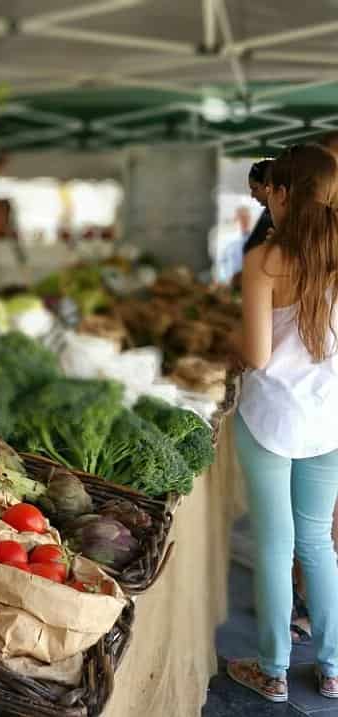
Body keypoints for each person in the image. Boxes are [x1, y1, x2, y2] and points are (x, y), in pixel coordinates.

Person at [228, 143, 338, 703]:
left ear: (281, 192)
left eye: (270, 190)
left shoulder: (264, 262)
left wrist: (230, 339)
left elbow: (258, 354)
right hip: (330, 421)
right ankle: (334, 666)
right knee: (318, 542)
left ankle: (272, 671)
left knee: (276, 545)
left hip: (268, 417)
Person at [244, 160, 273, 255]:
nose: (252, 195)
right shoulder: (268, 212)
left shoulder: (273, 216)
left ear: (269, 187)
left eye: (255, 189)